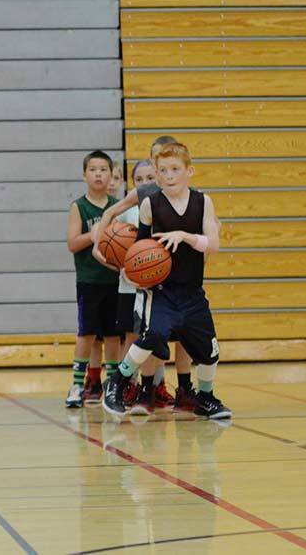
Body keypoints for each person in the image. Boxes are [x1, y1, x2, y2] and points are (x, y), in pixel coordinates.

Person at [102, 142, 231, 420]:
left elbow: (214, 244)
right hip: (160, 290)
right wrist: (134, 273)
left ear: (189, 171)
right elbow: (140, 248)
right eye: (163, 171)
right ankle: (117, 381)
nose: (169, 175)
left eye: (175, 169)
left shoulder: (202, 202)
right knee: (154, 335)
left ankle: (205, 398)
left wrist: (183, 236)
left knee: (209, 352)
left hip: (192, 291)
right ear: (157, 176)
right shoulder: (150, 204)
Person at [93, 136, 197, 412]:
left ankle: (185, 389)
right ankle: (143, 389)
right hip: (151, 276)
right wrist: (97, 244)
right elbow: (111, 212)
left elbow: (212, 228)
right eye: (157, 160)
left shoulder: (190, 194)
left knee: (185, 337)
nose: (163, 169)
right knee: (149, 335)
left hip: (182, 276)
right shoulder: (145, 193)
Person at [65, 151, 122, 408]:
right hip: (88, 280)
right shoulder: (79, 206)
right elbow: (72, 243)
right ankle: (78, 384)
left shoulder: (117, 206)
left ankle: (111, 385)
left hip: (114, 279)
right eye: (93, 169)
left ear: (111, 175)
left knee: (112, 336)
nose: (98, 174)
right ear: (84, 175)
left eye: (103, 169)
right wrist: (94, 234)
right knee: (86, 334)